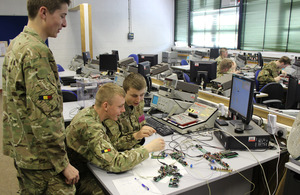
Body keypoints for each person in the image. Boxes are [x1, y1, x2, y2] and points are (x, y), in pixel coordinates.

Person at [2, 0, 79, 194]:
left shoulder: (15, 45)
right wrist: (63, 164)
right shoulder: (37, 51)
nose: (64, 24)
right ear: (43, 12)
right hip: (43, 161)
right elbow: (45, 117)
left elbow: (10, 103)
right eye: (62, 16)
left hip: (23, 150)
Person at [66, 83, 165, 195]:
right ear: (106, 106)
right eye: (120, 106)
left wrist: (136, 137)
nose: (123, 110)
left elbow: (110, 145)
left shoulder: (92, 113)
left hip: (88, 166)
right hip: (79, 175)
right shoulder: (90, 126)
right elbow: (116, 163)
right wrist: (148, 149)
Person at [103, 73, 156, 150]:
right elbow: (112, 146)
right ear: (124, 92)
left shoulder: (139, 102)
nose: (138, 100)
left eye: (141, 95)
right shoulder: (113, 109)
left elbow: (141, 119)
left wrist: (144, 127)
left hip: (137, 146)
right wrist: (136, 136)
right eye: (134, 96)